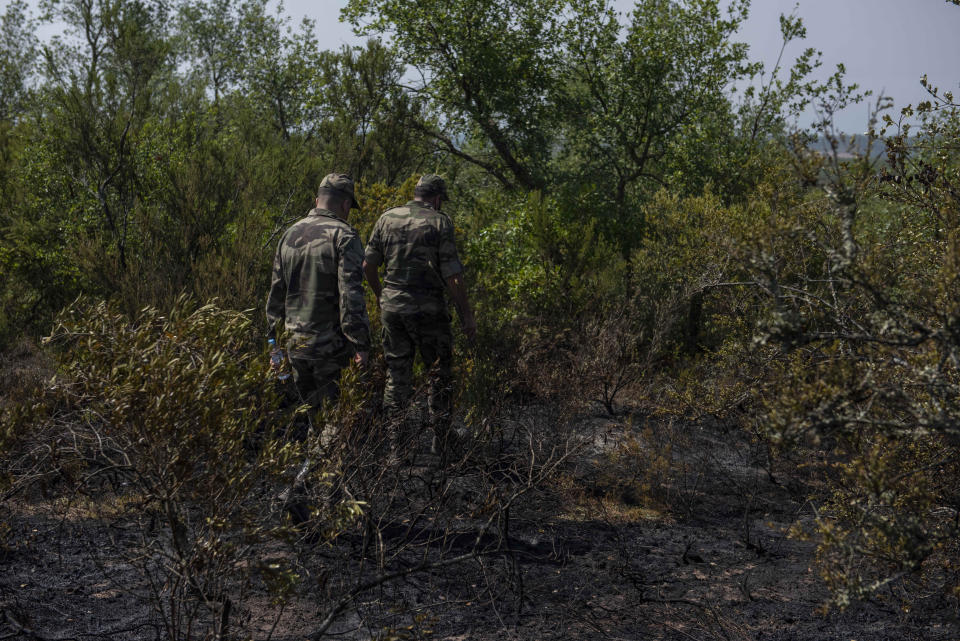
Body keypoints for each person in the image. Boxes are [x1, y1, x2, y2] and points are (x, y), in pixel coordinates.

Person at [363, 174, 476, 457]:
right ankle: (441, 443)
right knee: (439, 375)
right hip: (429, 311)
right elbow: (453, 275)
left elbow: (368, 265)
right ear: (436, 198)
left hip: (393, 309)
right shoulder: (440, 221)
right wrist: (467, 316)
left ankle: (395, 450)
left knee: (397, 376)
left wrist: (381, 295)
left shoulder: (386, 218)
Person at [266, 173, 371, 413]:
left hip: (294, 347)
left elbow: (275, 296)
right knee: (336, 421)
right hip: (330, 349)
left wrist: (274, 347)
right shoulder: (344, 236)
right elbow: (350, 296)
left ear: (317, 201)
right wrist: (361, 345)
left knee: (307, 418)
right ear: (345, 204)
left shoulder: (289, 234)